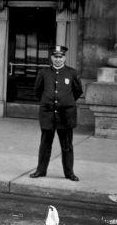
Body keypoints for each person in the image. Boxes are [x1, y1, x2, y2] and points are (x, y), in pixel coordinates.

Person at [29, 45, 84, 181]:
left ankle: (69, 173)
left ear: (64, 57)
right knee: (45, 144)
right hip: (48, 114)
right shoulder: (44, 73)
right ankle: (41, 171)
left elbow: (77, 92)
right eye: (55, 57)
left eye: (60, 57)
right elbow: (37, 91)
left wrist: (65, 102)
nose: (58, 60)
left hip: (66, 115)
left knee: (67, 145)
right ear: (51, 57)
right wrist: (48, 101)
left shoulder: (72, 73)